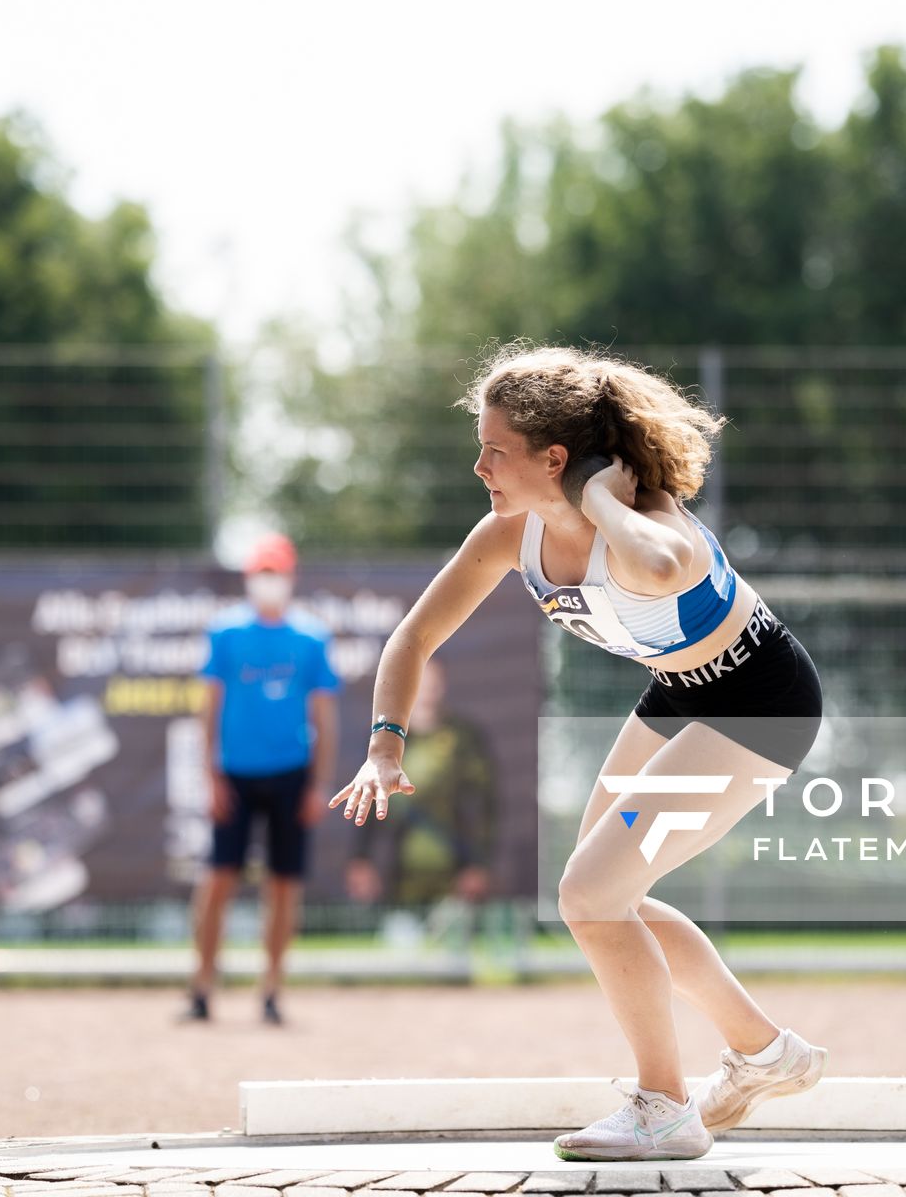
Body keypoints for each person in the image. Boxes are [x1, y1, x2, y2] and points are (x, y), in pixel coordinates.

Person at [330, 342, 827, 1162]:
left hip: (759, 704)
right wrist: (385, 747)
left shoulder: (650, 521)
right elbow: (414, 637)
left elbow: (662, 564)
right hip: (681, 692)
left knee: (590, 896)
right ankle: (767, 1053)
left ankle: (665, 1109)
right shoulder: (509, 533)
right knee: (606, 898)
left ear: (554, 459)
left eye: (495, 450)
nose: (479, 466)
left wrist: (599, 498)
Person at [184, 532, 340, 1025]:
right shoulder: (225, 633)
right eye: (261, 573)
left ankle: (271, 989)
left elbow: (324, 717)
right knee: (217, 880)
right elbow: (208, 708)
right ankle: (202, 987)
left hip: (291, 773)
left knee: (284, 885)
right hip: (235, 774)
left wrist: (318, 784)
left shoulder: (312, 637)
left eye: (276, 573)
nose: (268, 581)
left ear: (290, 578)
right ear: (249, 578)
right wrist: (211, 776)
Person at [343, 656, 496, 909]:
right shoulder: (384, 743)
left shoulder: (463, 739)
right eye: (419, 680)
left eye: (432, 681)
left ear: (442, 684)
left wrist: (478, 864)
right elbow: (367, 801)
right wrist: (361, 859)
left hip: (455, 873)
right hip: (398, 874)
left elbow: (483, 805)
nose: (426, 688)